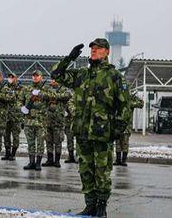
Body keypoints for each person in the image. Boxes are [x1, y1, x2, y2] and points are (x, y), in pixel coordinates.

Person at [51, 39, 129, 218]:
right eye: (92, 48)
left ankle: (101, 206)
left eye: (98, 48)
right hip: (82, 131)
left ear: (107, 52)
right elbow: (56, 74)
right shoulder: (82, 74)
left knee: (101, 171)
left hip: (102, 133)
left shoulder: (114, 76)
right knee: (85, 170)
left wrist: (119, 127)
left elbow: (125, 105)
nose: (93, 51)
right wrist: (69, 58)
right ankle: (90, 204)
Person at [21, 70, 48, 171]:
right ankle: (31, 162)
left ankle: (38, 163)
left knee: (40, 143)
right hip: (29, 121)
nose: (35, 77)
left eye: (37, 75)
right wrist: (22, 108)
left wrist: (40, 94)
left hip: (41, 121)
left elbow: (51, 98)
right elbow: (20, 99)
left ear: (41, 77)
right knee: (30, 143)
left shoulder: (46, 88)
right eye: (34, 75)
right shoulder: (26, 88)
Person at [41, 79, 71, 168]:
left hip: (58, 120)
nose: (53, 81)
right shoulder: (47, 88)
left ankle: (57, 160)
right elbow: (42, 95)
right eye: (52, 79)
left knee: (58, 141)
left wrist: (53, 96)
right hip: (48, 119)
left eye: (55, 79)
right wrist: (54, 96)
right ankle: (49, 159)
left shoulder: (64, 88)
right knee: (48, 140)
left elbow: (68, 95)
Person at [1, 73, 21, 161]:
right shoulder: (5, 88)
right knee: (6, 135)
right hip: (6, 115)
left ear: (16, 78)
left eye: (12, 77)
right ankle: (7, 153)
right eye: (9, 77)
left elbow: (14, 98)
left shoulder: (20, 88)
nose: (10, 78)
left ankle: (13, 154)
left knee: (15, 135)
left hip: (16, 116)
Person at [64, 98, 77, 163]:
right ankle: (71, 156)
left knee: (79, 140)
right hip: (69, 123)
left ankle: (78, 156)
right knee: (69, 140)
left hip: (77, 123)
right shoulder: (70, 101)